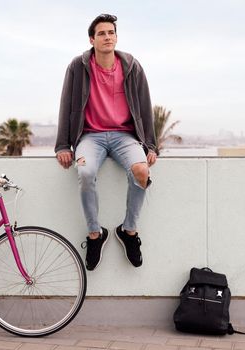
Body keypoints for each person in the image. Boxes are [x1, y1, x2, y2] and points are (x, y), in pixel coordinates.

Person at [55, 14, 157, 270]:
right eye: (101, 33)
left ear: (116, 37)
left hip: (125, 135)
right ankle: (95, 234)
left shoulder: (132, 66)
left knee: (142, 171)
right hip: (91, 136)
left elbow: (145, 106)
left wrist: (151, 145)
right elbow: (66, 104)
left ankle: (129, 231)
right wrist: (62, 145)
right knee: (86, 172)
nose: (107, 37)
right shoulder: (78, 67)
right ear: (92, 39)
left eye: (111, 32)